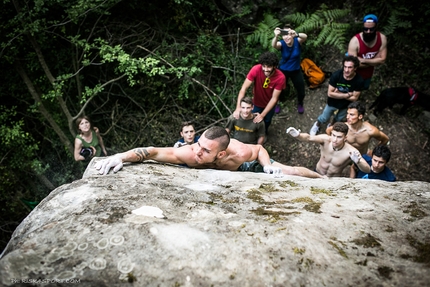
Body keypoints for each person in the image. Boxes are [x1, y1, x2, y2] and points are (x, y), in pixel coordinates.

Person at [95, 126, 323, 179]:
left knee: (291, 171)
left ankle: (324, 178)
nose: (197, 153)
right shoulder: (191, 153)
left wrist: (266, 166)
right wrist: (120, 157)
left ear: (221, 154)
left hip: (245, 167)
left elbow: (259, 148)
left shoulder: (239, 153)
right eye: (198, 145)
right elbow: (153, 152)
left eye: (205, 151)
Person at [287, 122, 370, 177]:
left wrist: (358, 162)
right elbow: (309, 137)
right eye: (333, 135)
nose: (335, 139)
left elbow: (367, 169)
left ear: (345, 138)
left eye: (339, 137)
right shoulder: (325, 140)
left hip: (333, 180)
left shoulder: (350, 151)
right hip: (317, 173)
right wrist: (298, 135)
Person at [310, 55, 364, 136]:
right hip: (332, 102)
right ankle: (317, 124)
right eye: (345, 67)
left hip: (346, 105)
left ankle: (331, 126)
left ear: (355, 68)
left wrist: (338, 93)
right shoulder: (336, 75)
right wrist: (347, 95)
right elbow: (330, 93)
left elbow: (355, 98)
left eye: (350, 67)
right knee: (324, 117)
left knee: (338, 118)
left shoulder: (359, 80)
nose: (346, 70)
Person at [233, 52, 286, 134]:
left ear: (274, 66)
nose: (265, 69)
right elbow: (243, 88)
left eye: (269, 67)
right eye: (264, 66)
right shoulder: (256, 69)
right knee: (252, 120)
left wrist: (262, 115)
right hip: (256, 102)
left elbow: (274, 98)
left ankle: (264, 133)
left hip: (270, 105)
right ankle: (253, 135)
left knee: (267, 121)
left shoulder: (280, 77)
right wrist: (238, 107)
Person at [271, 25, 308, 114]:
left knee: (301, 90)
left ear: (292, 34)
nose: (286, 37)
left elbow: (305, 36)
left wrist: (297, 34)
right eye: (284, 35)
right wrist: (276, 36)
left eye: (288, 34)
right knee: (279, 89)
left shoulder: (297, 41)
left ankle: (300, 103)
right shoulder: (282, 44)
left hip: (296, 70)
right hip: (283, 70)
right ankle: (277, 102)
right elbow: (274, 45)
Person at [347, 14, 387, 90]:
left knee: (365, 87)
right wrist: (375, 60)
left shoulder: (382, 38)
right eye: (365, 29)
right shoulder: (354, 41)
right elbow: (353, 64)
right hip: (354, 74)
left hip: (369, 73)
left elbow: (382, 60)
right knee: (352, 89)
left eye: (371, 29)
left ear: (376, 27)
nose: (368, 32)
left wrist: (364, 60)